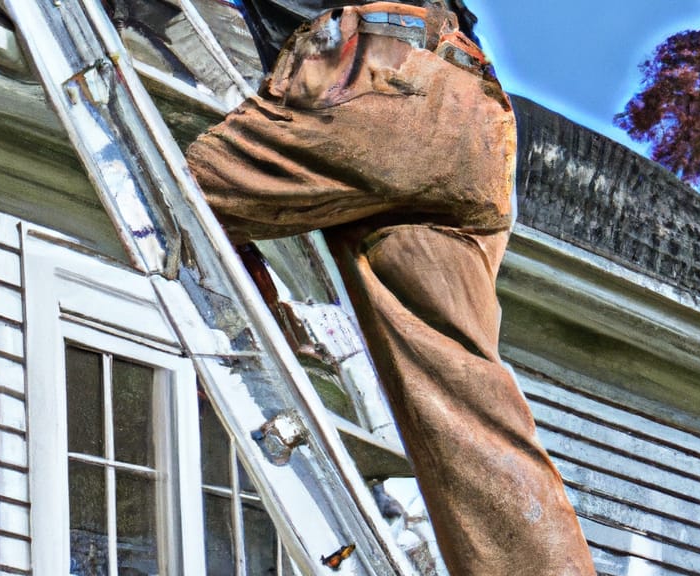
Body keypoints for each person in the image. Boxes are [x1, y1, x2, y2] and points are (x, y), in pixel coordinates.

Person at [185, 3, 596, 573]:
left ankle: (261, 330)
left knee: (177, 189)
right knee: (460, 401)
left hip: (371, 78)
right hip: (472, 119)